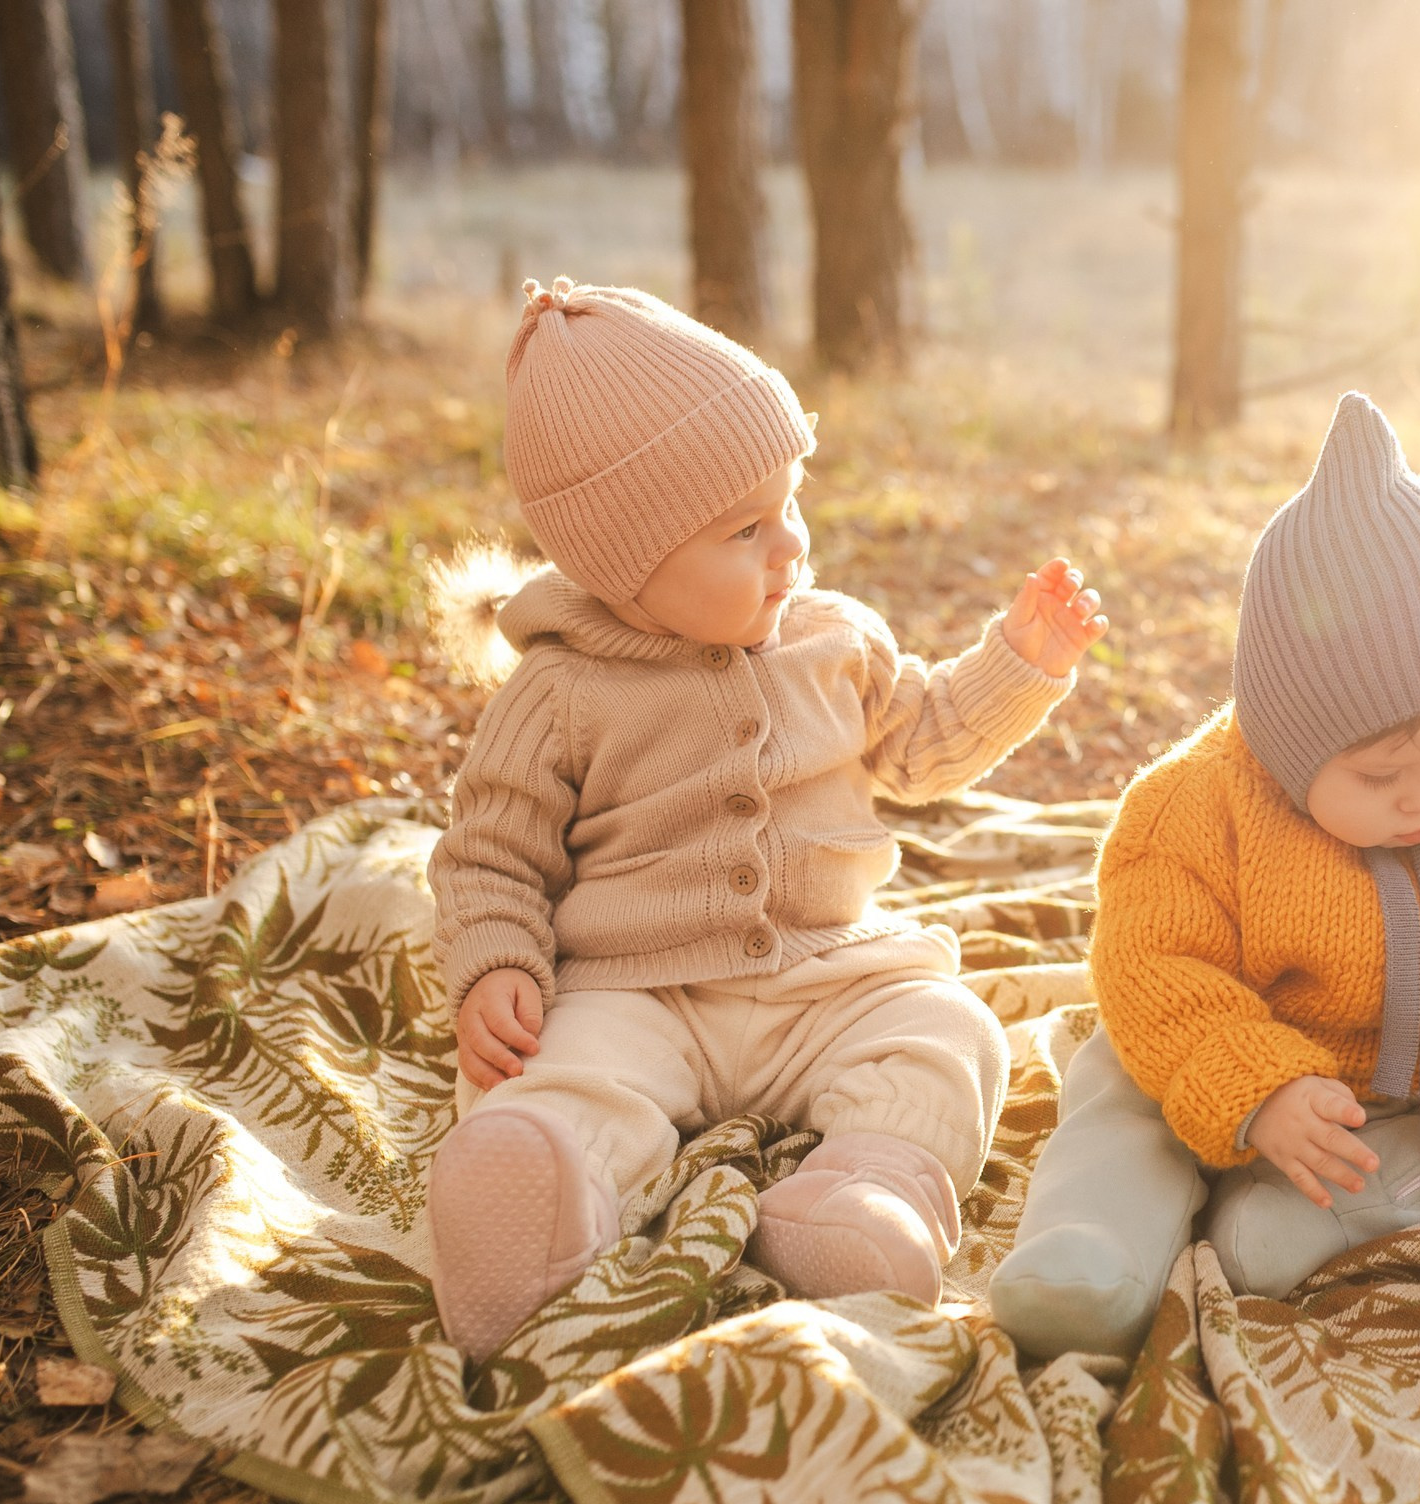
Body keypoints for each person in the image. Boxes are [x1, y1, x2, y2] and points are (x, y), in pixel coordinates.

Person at [427, 278, 1106, 1358]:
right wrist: (495, 961)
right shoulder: (559, 693)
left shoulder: (833, 639)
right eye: (745, 529)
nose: (789, 546)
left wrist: (1019, 665)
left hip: (829, 977)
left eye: (791, 503)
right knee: (551, 1076)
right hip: (638, 989)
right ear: (623, 564)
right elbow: (488, 853)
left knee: (948, 1033)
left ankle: (861, 1199)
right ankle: (536, 1203)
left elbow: (921, 745)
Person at [991, 392, 1420, 1361]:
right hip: (1218, 1045)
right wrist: (1255, 1090)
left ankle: (1314, 1218)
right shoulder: (1196, 807)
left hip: (1410, 1091)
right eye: (1380, 775)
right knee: (1122, 1097)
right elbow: (1157, 968)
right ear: (1287, 741)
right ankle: (1088, 1256)